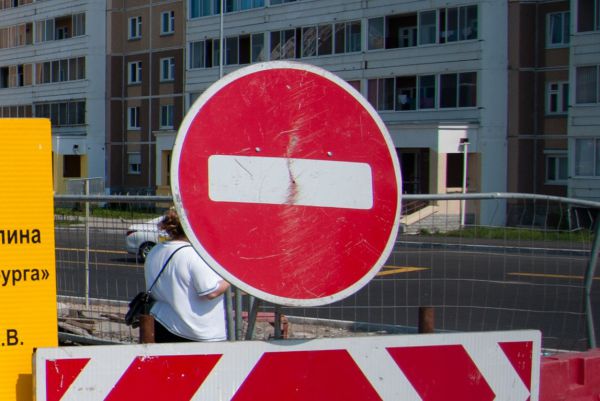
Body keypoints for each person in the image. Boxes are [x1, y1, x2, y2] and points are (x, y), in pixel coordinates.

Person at [144, 207, 230, 342]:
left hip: (161, 322)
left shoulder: (155, 250)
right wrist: (230, 278)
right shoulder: (194, 254)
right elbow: (211, 292)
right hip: (194, 329)